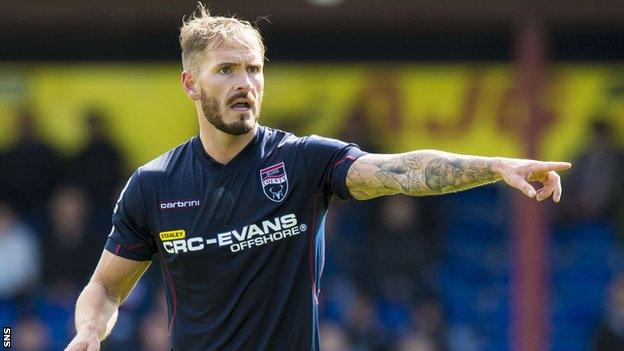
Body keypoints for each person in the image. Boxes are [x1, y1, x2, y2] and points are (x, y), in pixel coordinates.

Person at [65, 4, 571, 351]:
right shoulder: (154, 185)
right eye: (226, 71)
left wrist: (495, 166)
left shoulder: (304, 162)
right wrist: (89, 331)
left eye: (254, 69)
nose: (245, 84)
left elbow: (402, 171)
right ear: (190, 84)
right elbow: (106, 288)